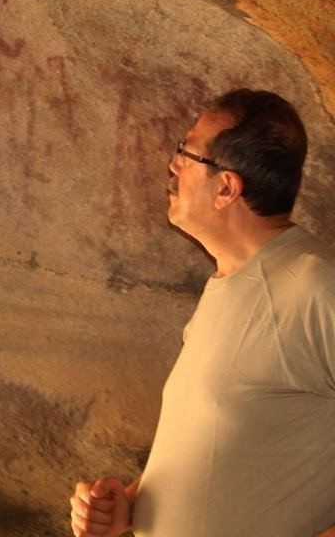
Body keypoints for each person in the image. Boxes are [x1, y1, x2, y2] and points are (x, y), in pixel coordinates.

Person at [70, 89, 335, 537]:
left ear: (227, 188)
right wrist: (130, 505)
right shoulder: (229, 283)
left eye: (187, 152)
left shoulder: (314, 288)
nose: (173, 165)